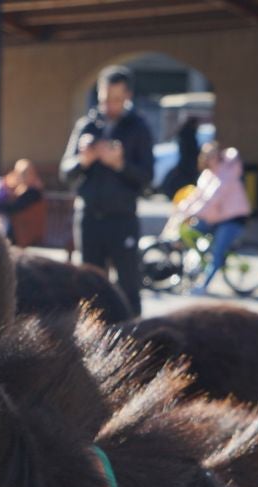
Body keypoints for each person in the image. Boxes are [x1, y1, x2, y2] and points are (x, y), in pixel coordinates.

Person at [59, 65, 155, 316]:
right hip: (90, 218)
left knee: (128, 286)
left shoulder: (139, 128)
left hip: (122, 219)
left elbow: (147, 178)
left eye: (115, 99)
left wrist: (120, 165)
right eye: (104, 99)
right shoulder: (87, 126)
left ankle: (133, 339)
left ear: (128, 97)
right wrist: (84, 160)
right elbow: (66, 173)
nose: (109, 106)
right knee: (90, 287)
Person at [173, 142, 251, 295]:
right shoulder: (207, 175)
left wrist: (192, 213)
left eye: (213, 155)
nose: (210, 159)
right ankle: (194, 266)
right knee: (192, 231)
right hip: (215, 218)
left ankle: (203, 286)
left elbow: (213, 198)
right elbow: (197, 195)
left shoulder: (227, 173)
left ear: (219, 156)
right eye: (207, 156)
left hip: (233, 218)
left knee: (217, 251)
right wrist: (182, 208)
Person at [0, 159, 46, 247]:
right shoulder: (21, 189)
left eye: (25, 174)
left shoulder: (33, 192)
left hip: (25, 231)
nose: (21, 177)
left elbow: (16, 207)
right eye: (20, 174)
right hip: (20, 227)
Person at [158, 116, 203, 199]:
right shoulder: (189, 134)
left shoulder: (185, 133)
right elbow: (191, 150)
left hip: (186, 162)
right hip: (188, 163)